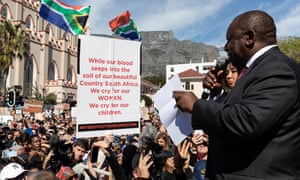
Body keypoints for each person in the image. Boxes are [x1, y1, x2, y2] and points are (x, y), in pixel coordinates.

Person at [174, 10, 300, 179]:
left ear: (249, 37)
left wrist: (196, 106)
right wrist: (217, 94)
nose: (226, 48)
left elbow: (247, 121)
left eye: (229, 41)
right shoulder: (258, 70)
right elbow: (238, 113)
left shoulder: (277, 69)